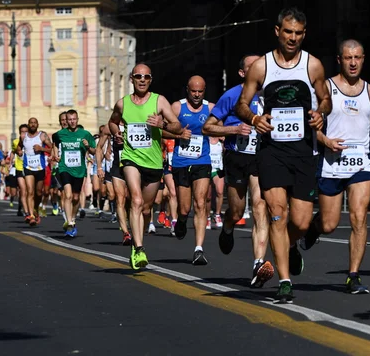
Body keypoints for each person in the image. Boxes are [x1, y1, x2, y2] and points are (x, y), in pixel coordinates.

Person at [236, 7, 331, 303]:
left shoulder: (312, 65)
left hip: (303, 151)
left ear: (304, 34)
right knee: (278, 214)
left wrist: (320, 114)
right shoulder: (261, 67)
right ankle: (285, 280)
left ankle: (289, 248)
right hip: (272, 151)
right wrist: (254, 119)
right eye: (288, 32)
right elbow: (242, 103)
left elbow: (325, 98)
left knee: (301, 222)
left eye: (298, 33)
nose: (292, 38)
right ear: (277, 31)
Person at [301, 39, 370, 294]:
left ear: (363, 59)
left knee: (359, 217)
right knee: (330, 223)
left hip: (361, 162)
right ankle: (314, 228)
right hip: (331, 162)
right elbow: (311, 126)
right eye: (348, 58)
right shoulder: (327, 89)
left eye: (357, 58)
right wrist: (325, 141)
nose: (353, 63)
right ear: (339, 60)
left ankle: (353, 275)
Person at [202, 53, 274, 288]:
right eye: (253, 67)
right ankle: (229, 225)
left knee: (260, 206)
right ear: (243, 73)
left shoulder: (270, 93)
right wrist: (234, 130)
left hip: (261, 157)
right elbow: (207, 127)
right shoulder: (232, 95)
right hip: (237, 157)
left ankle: (258, 262)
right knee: (237, 210)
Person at [108, 63, 184, 270]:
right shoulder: (122, 104)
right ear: (131, 79)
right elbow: (113, 122)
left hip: (153, 162)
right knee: (136, 199)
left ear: (150, 80)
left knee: (146, 208)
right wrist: (116, 133)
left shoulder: (159, 101)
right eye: (138, 76)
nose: (142, 80)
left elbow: (177, 126)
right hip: (131, 158)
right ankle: (138, 247)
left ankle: (139, 239)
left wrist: (163, 125)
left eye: (146, 77)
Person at [169, 76, 214, 265]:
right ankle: (181, 219)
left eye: (200, 91)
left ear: (204, 91)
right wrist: (178, 133)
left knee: (201, 203)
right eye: (193, 91)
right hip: (181, 162)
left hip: (202, 160)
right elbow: (162, 129)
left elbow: (219, 127)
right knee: (185, 207)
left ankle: (199, 249)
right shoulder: (177, 107)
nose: (196, 95)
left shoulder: (210, 108)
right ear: (187, 90)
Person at [53, 109, 96, 237]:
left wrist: (88, 146)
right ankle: (69, 222)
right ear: (66, 120)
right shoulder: (60, 134)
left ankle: (72, 218)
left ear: (77, 120)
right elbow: (55, 143)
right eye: (69, 119)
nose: (71, 121)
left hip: (79, 169)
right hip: (64, 168)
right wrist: (56, 155)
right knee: (68, 195)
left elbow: (94, 151)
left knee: (76, 197)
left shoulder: (85, 134)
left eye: (74, 119)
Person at [19, 117, 53, 226]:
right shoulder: (23, 136)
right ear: (28, 124)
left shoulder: (42, 136)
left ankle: (35, 209)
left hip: (40, 168)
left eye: (35, 123)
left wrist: (42, 149)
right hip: (28, 167)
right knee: (30, 191)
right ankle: (31, 216)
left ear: (37, 124)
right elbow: (19, 147)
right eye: (31, 123)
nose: (33, 125)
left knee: (38, 192)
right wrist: (19, 151)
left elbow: (52, 148)